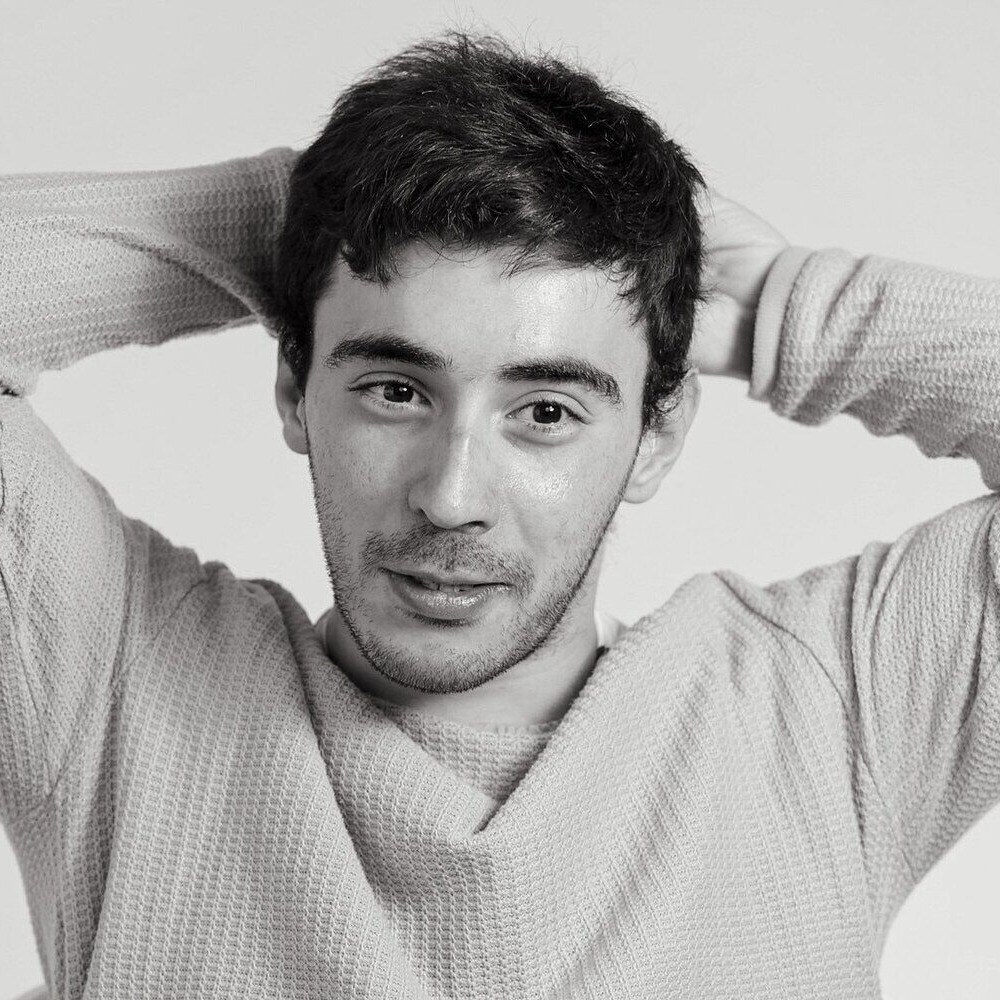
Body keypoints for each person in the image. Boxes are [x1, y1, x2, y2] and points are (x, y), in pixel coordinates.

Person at [1, 32, 998, 1000]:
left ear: (656, 434)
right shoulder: (111, 680)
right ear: (296, 389)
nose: (451, 496)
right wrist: (300, 216)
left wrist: (793, 308)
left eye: (546, 413)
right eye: (396, 391)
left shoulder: (831, 712)